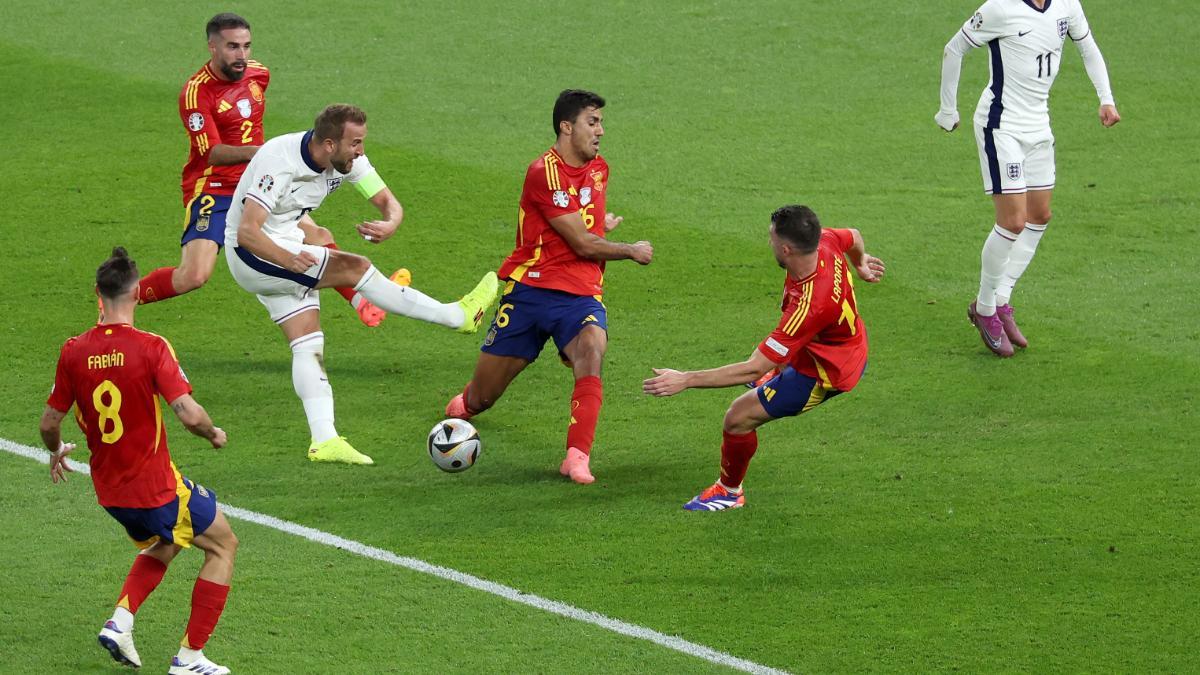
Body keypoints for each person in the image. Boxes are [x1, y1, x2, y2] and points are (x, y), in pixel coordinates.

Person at [224, 103, 499, 465]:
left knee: (308, 343)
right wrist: (290, 259)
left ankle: (324, 440)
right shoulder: (278, 160)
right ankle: (457, 316)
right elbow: (247, 232)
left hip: (285, 245)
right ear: (327, 145)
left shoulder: (346, 161)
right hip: (255, 254)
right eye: (355, 143)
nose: (360, 151)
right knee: (356, 267)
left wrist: (391, 221)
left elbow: (387, 201)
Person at [40, 247, 238, 674]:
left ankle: (120, 622)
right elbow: (188, 412)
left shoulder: (73, 351)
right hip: (154, 488)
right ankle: (190, 659)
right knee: (223, 544)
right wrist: (213, 433)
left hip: (111, 492)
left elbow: (49, 422)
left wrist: (55, 451)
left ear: (98, 293)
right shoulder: (150, 347)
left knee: (162, 542)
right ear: (137, 293)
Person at [445, 89, 654, 485]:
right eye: (593, 122)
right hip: (531, 292)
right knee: (484, 397)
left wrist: (599, 227)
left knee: (592, 350)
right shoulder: (545, 171)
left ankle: (576, 456)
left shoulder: (598, 169)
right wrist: (629, 249)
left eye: (601, 122)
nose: (601, 131)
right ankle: (467, 404)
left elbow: (583, 228)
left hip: (580, 295)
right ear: (566, 126)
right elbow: (580, 241)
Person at [133, 13, 387, 327]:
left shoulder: (258, 74)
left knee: (319, 235)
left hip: (261, 183)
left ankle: (363, 303)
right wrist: (260, 152)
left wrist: (266, 162)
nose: (241, 55)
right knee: (195, 275)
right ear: (212, 47)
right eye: (232, 47)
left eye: (246, 46)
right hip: (214, 188)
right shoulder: (196, 93)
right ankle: (125, 297)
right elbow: (211, 153)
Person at [643, 206, 885, 511]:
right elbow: (854, 236)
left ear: (786, 248)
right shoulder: (822, 241)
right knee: (774, 358)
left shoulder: (810, 305)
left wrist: (686, 379)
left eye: (771, 239)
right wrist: (860, 263)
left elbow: (753, 368)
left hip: (824, 370)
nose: (768, 243)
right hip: (835, 340)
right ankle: (779, 370)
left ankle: (729, 492)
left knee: (738, 418)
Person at [935, 0, 1120, 356]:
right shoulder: (999, 9)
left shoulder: (1067, 5)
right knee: (1013, 222)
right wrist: (947, 108)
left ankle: (1001, 298)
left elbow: (1088, 46)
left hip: (1039, 126)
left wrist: (1106, 99)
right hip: (1000, 126)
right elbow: (953, 47)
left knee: (1039, 216)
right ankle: (985, 308)